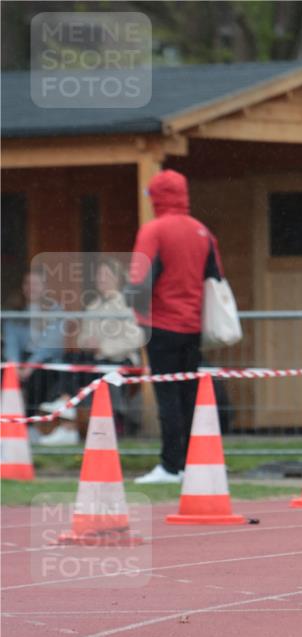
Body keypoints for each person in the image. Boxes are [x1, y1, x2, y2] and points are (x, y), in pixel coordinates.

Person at [127, 169, 223, 484]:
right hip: (193, 327)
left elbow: (140, 280)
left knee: (167, 397)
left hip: (162, 326)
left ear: (156, 197)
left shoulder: (153, 230)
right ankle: (190, 463)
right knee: (188, 397)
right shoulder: (202, 231)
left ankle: (171, 466)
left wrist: (133, 308)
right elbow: (216, 278)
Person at [40, 257, 145, 446]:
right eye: (99, 275)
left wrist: (104, 347)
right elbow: (82, 337)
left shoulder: (127, 304)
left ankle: (67, 411)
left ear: (117, 279)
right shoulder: (93, 305)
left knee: (89, 369)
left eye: (106, 275)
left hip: (119, 359)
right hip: (95, 358)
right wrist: (87, 342)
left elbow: (135, 338)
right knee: (71, 358)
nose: (102, 279)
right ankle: (67, 418)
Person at [2, 268, 65, 418]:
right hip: (21, 358)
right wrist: (14, 364)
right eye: (27, 283)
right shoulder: (16, 311)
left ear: (44, 287)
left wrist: (31, 365)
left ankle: (30, 420)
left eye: (36, 284)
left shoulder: (54, 310)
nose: (31, 287)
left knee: (39, 378)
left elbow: (51, 342)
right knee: (5, 373)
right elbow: (11, 341)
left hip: (45, 359)